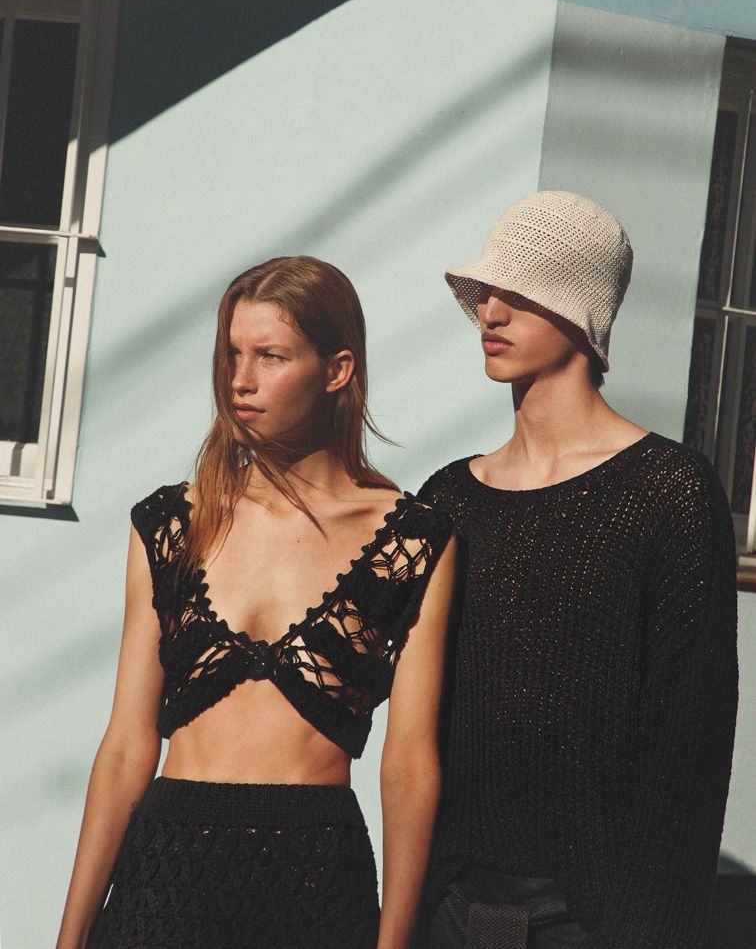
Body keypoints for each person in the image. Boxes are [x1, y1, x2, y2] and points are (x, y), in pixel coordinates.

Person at [56, 256, 456, 949]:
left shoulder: (412, 541)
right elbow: (125, 745)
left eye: (270, 356)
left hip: (317, 879)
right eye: (232, 354)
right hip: (166, 874)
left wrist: (395, 941)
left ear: (336, 370)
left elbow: (410, 764)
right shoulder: (174, 524)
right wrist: (71, 938)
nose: (240, 380)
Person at [417, 191, 738, 949]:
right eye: (486, 291)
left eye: (521, 292)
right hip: (447, 907)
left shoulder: (670, 492)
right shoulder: (448, 499)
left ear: (581, 309)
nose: (491, 311)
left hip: (591, 919)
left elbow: (689, 749)